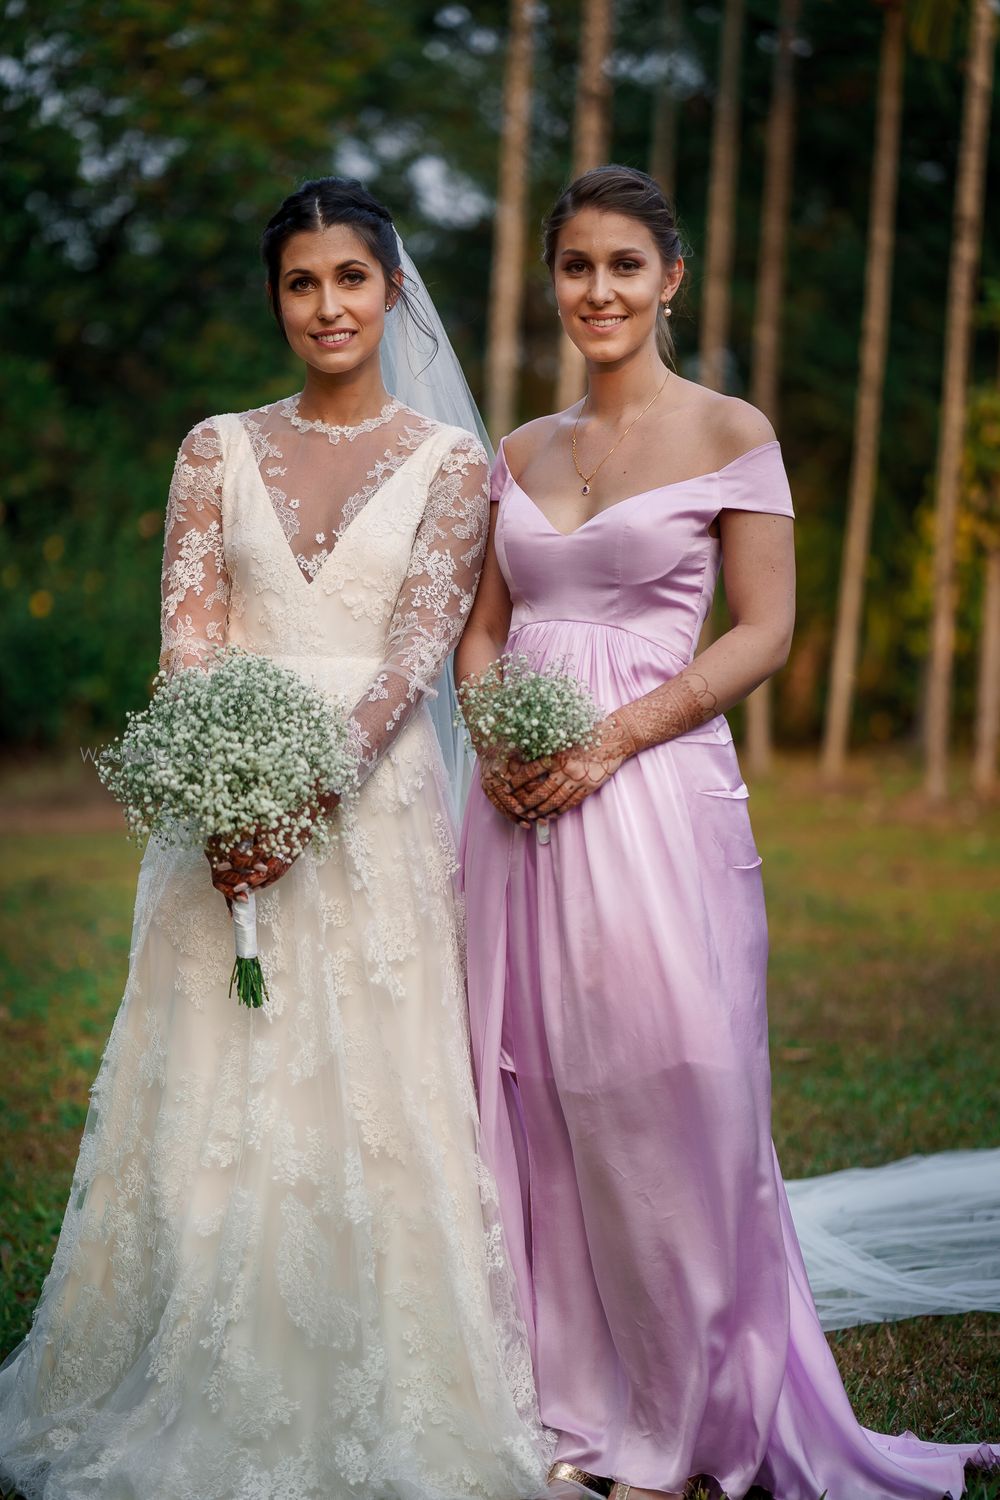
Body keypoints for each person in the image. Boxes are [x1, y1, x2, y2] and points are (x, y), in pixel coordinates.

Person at [0, 176, 549, 1500]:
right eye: (300, 282)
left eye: (349, 279)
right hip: (218, 812)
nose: (325, 305)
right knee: (215, 1087)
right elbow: (188, 636)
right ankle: (191, 1358)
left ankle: (368, 1380)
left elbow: (419, 646)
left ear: (391, 292)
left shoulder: (453, 460)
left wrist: (299, 797)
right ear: (276, 300)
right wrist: (218, 798)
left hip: (370, 809)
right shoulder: (213, 447)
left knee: (365, 1092)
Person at [457, 163, 998, 1500]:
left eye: (625, 266)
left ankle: (690, 1420)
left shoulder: (728, 430)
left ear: (672, 280)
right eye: (577, 265)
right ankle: (577, 1412)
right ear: (555, 282)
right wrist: (498, 736)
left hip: (652, 797)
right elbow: (479, 631)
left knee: (671, 1082)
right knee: (540, 1102)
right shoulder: (518, 453)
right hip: (515, 816)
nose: (600, 290)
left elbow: (765, 629)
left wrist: (606, 745)